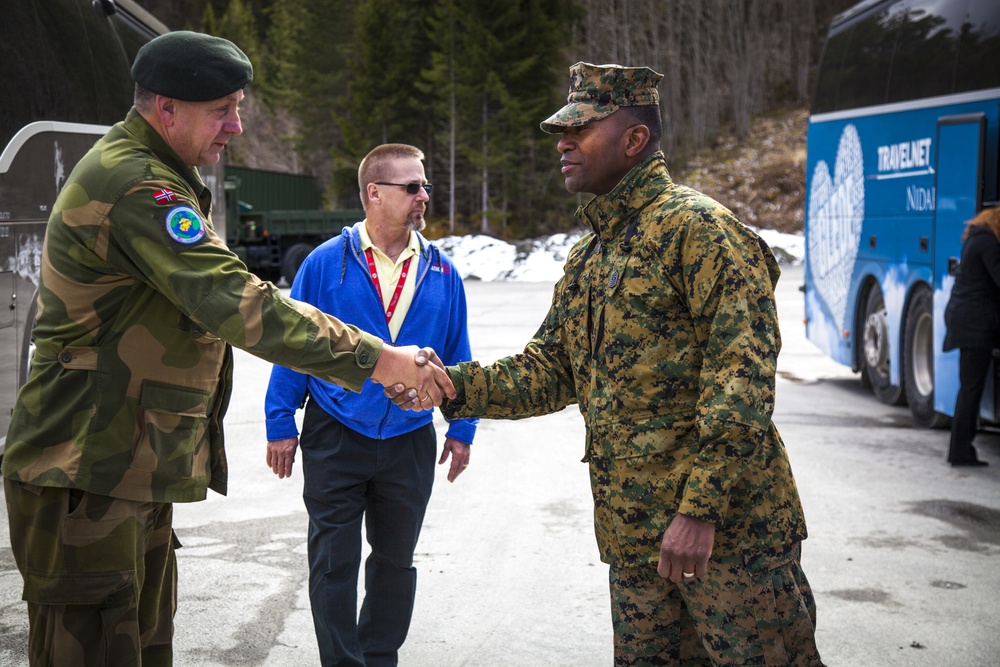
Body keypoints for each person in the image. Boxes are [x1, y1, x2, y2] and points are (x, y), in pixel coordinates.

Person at [1, 31, 453, 667]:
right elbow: (238, 302)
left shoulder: (160, 174)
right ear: (166, 109)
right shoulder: (136, 184)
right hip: (86, 470)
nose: (236, 127)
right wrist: (378, 360)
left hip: (122, 465)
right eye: (222, 110)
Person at [392, 62, 824, 666]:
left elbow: (741, 383)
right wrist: (449, 386)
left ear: (634, 139)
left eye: (581, 130)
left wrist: (700, 511)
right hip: (636, 541)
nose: (563, 144)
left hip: (728, 540)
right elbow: (549, 369)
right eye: (561, 132)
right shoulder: (592, 254)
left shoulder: (698, 231)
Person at [263, 143, 477, 667]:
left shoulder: (442, 271)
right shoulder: (323, 264)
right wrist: (279, 420)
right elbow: (294, 345)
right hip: (335, 435)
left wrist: (462, 428)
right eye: (412, 187)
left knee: (395, 563)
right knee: (334, 563)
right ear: (373, 194)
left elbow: (459, 355)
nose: (423, 196)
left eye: (424, 186)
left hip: (409, 440)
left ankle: (380, 657)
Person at [943, 206, 1000, 467]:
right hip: (975, 326)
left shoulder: (974, 239)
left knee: (968, 388)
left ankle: (960, 450)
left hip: (965, 320)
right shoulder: (988, 243)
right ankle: (960, 452)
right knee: (970, 390)